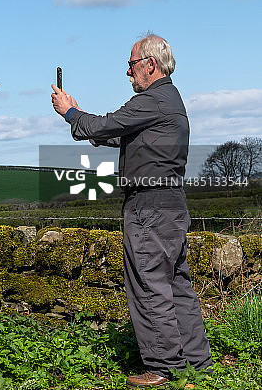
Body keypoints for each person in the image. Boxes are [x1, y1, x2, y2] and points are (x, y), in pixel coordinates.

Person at [51, 34, 213, 389]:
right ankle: (197, 364)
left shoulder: (153, 99)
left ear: (150, 65)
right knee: (176, 285)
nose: (128, 72)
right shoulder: (168, 101)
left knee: (149, 285)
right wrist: (83, 120)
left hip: (149, 206)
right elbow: (118, 133)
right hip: (171, 203)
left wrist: (71, 113)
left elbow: (105, 125)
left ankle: (163, 367)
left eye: (131, 64)